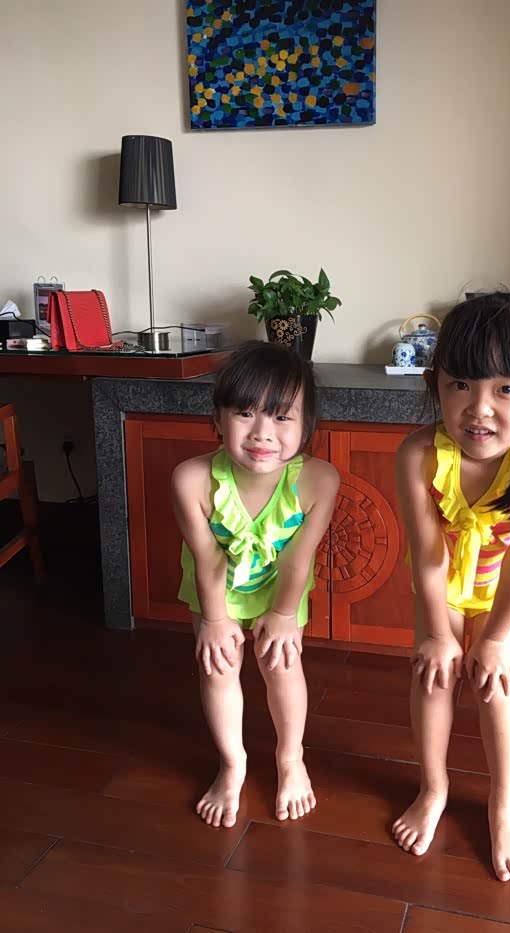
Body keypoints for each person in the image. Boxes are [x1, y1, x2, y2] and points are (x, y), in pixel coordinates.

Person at [391, 293, 510, 881]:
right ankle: (433, 788)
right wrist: (440, 634)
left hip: (505, 584)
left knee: (496, 684)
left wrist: (494, 641)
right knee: (434, 674)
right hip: (441, 579)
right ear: (435, 386)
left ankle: (504, 803)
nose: (479, 408)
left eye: (506, 389)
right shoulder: (417, 454)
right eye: (461, 384)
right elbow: (427, 557)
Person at [172, 340, 339, 829]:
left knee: (281, 665)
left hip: (281, 587)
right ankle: (232, 764)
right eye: (245, 413)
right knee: (218, 668)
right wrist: (214, 620)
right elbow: (207, 559)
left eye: (282, 417)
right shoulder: (190, 479)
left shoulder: (319, 480)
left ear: (306, 425)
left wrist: (284, 615)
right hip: (215, 588)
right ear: (218, 418)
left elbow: (298, 559)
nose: (263, 433)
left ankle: (291, 759)